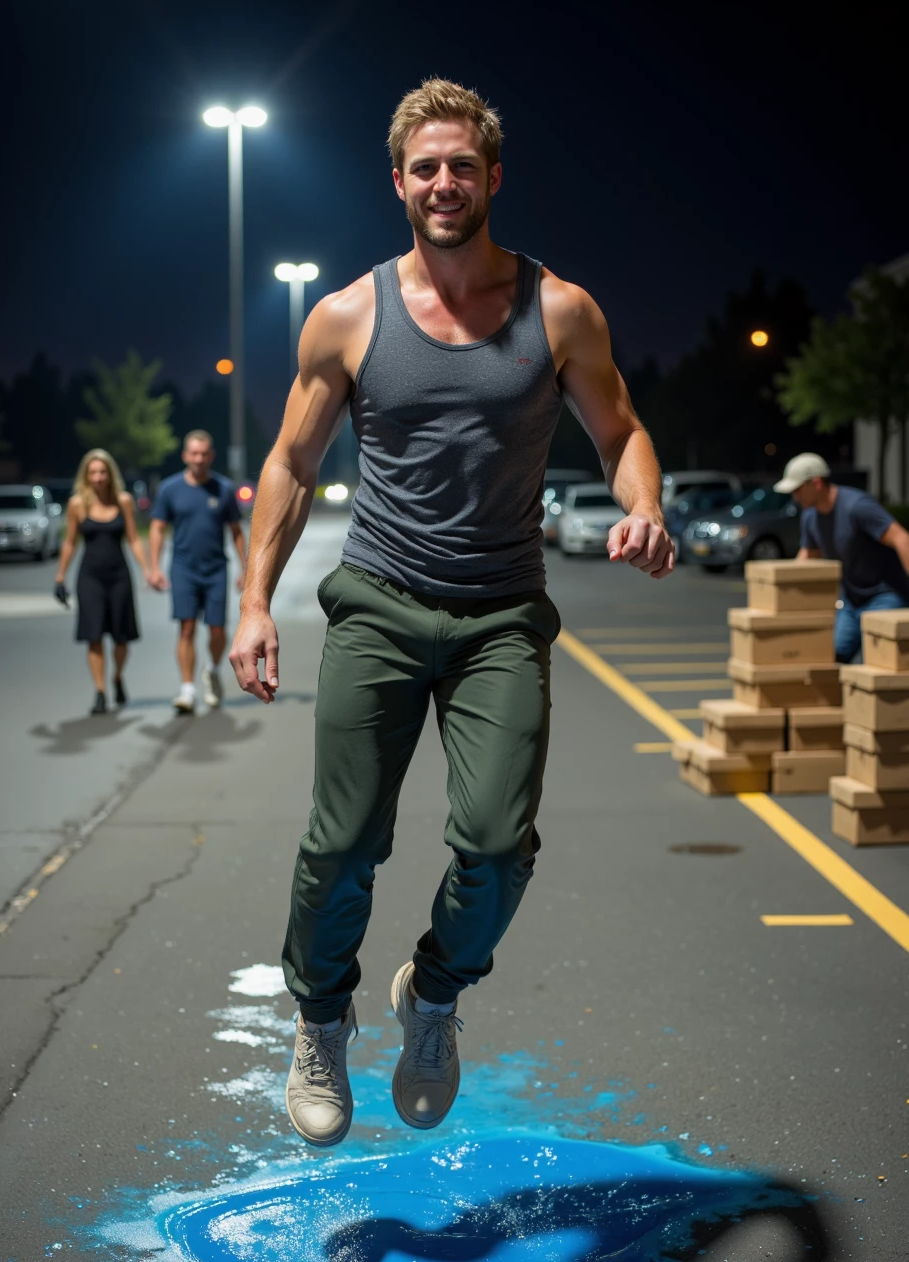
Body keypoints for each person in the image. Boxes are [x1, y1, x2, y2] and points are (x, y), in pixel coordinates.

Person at [229, 78, 673, 1148]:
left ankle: (431, 995)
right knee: (343, 845)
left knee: (494, 842)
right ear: (398, 183)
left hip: (499, 617)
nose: (442, 183)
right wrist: (252, 604)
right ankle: (321, 1020)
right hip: (378, 603)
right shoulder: (348, 316)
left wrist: (646, 503)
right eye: (424, 167)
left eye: (461, 166)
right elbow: (290, 463)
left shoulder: (558, 310)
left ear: (492, 178)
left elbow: (619, 435)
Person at [779, 451, 909, 662]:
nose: (794, 496)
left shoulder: (856, 507)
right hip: (852, 598)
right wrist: (783, 596)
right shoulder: (810, 516)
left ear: (816, 483)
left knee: (880, 663)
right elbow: (808, 554)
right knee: (833, 657)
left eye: (797, 490)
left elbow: (904, 541)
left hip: (886, 594)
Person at [149, 430, 247, 713]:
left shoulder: (223, 489)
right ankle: (187, 690)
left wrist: (246, 567)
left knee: (217, 630)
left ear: (211, 456)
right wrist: (154, 567)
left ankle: (213, 669)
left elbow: (236, 531)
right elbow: (157, 528)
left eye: (204, 454)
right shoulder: (170, 489)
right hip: (183, 568)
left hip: (216, 568)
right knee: (186, 628)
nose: (199, 459)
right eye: (194, 453)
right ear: (185, 456)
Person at [54, 449, 150, 714]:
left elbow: (132, 538)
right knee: (93, 636)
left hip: (119, 575)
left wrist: (146, 569)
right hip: (90, 576)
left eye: (102, 472)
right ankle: (100, 691)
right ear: (86, 476)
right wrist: (60, 575)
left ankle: (117, 676)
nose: (98, 477)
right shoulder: (77, 504)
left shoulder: (123, 501)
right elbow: (70, 541)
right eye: (93, 473)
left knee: (122, 638)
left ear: (110, 474)